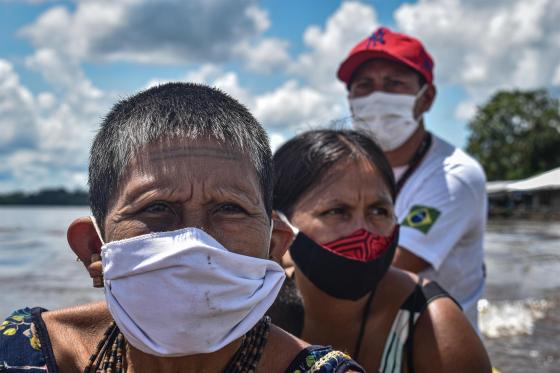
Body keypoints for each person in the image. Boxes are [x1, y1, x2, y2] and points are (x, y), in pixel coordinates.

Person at [0, 83, 364, 373]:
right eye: (157, 208)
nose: (194, 243)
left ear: (274, 245)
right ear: (94, 248)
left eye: (228, 208)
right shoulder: (19, 352)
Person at [271, 129, 491, 372]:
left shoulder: (435, 327)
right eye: (336, 211)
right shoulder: (254, 311)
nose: (363, 234)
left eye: (378, 211)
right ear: (280, 227)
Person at [336, 27, 488, 327]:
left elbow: (384, 272)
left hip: (437, 348)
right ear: (350, 99)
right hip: (366, 331)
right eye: (364, 85)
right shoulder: (344, 169)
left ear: (426, 98)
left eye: (393, 83)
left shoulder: (454, 176)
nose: (377, 96)